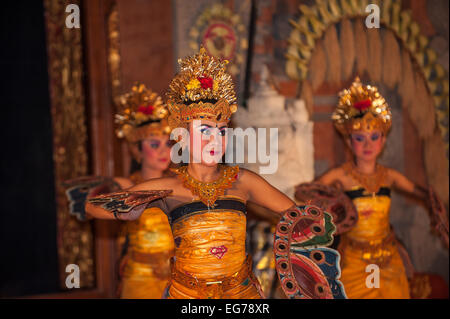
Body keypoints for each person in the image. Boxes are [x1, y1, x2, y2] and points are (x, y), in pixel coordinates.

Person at [85, 48, 343, 299]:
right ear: (183, 138)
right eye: (205, 131)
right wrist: (128, 209)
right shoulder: (167, 188)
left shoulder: (244, 182)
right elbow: (92, 208)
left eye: (221, 131)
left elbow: (299, 218)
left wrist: (321, 222)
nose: (215, 140)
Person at [296, 77, 448, 299]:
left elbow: (426, 196)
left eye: (374, 137)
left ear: (384, 140)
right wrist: (327, 207)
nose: (367, 144)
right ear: (349, 142)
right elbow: (305, 193)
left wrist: (438, 212)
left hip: (388, 258)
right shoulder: (341, 175)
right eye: (360, 138)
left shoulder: (390, 176)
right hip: (353, 260)